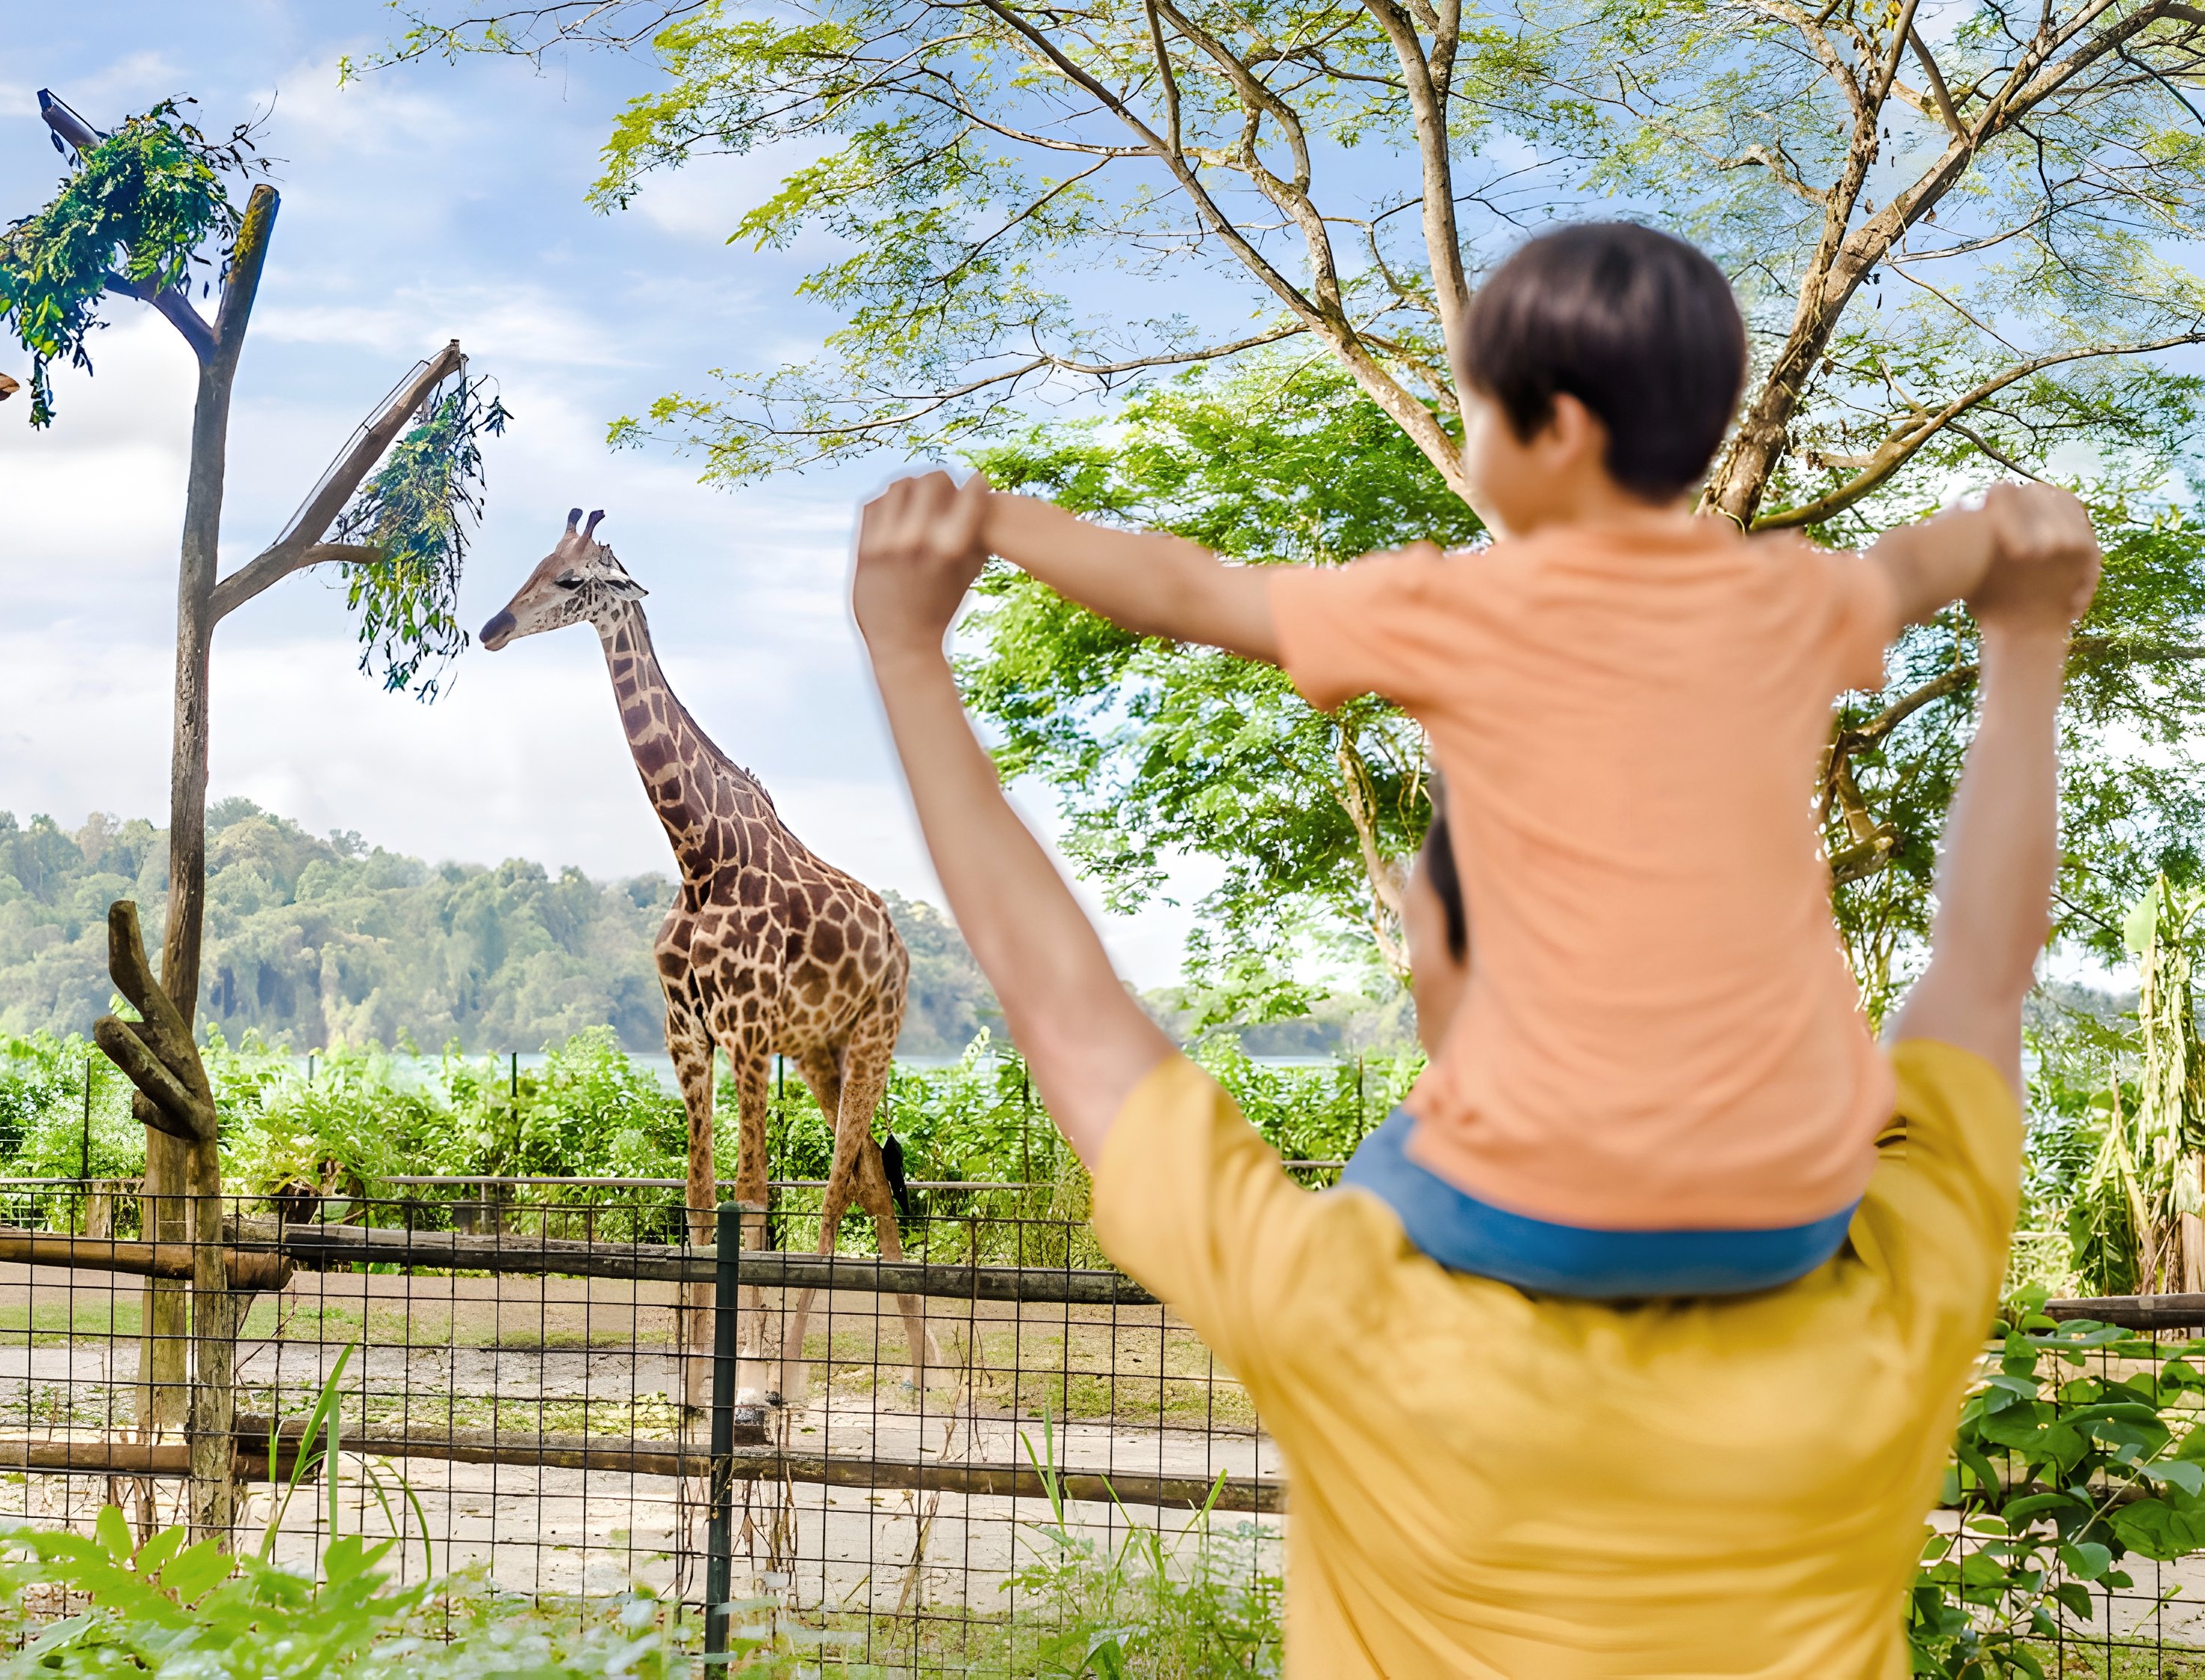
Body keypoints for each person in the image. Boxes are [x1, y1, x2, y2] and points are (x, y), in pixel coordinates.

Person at [850, 462, 2097, 1673]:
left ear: (1437, 954)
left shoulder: (1351, 1315)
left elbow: (1064, 1008)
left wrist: (909, 657)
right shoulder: (1890, 1293)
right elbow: (1982, 971)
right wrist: (2026, 647)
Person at [889, 221, 2087, 1300]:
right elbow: (1915, 565)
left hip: (1535, 1212)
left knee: (1378, 1187)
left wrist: (1001, 520)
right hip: (1791, 1205)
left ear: (1557, 430)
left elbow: (1188, 592)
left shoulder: (1464, 607)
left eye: (1475, 411)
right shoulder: (1794, 597)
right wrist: (2007, 529)